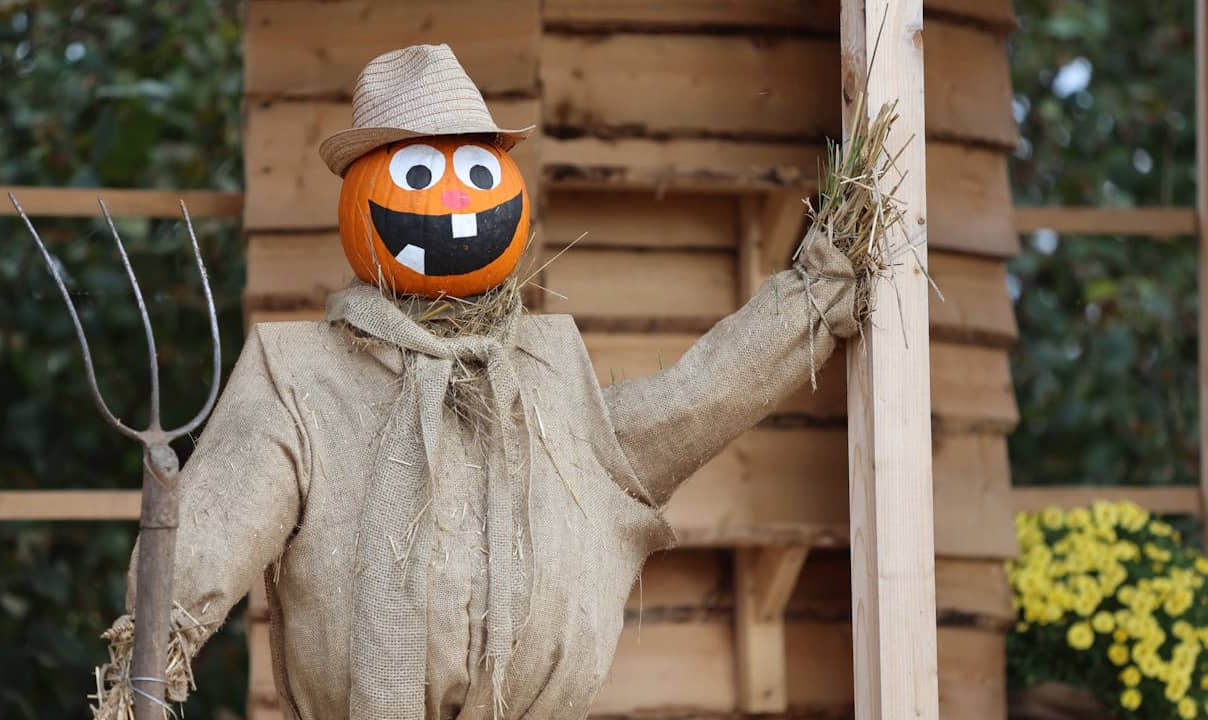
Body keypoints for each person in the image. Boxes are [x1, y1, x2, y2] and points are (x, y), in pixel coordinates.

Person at [93, 44, 858, 720]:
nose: (455, 202)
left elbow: (690, 403)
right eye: (419, 174)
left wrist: (816, 293)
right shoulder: (305, 378)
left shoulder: (548, 378)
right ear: (362, 190)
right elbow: (222, 518)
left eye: (477, 172)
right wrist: (148, 659)